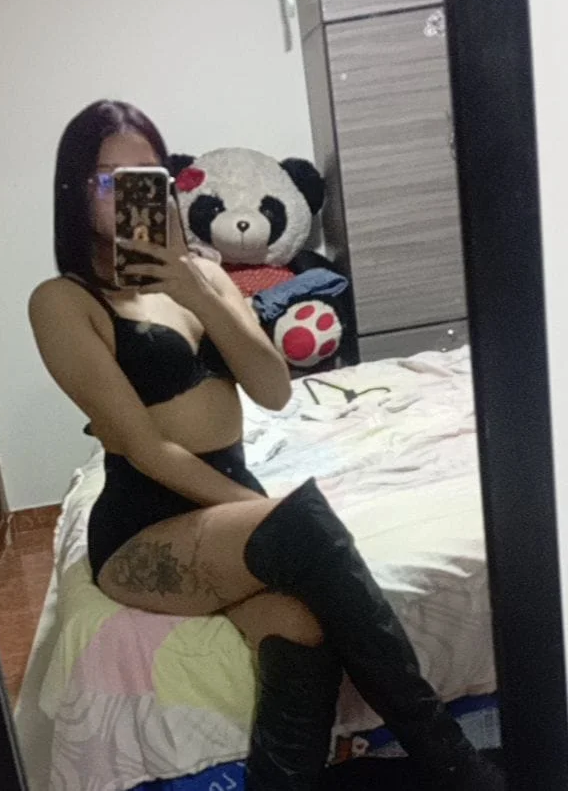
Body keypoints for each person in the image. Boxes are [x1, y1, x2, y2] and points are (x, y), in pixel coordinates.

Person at [29, 100, 503, 790]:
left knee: (301, 628)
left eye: (148, 174)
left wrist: (196, 288)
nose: (130, 192)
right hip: (142, 526)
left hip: (226, 512)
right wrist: (267, 514)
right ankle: (450, 761)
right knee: (304, 526)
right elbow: (143, 448)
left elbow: (274, 388)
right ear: (76, 190)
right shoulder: (63, 302)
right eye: (109, 179)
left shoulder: (205, 276)